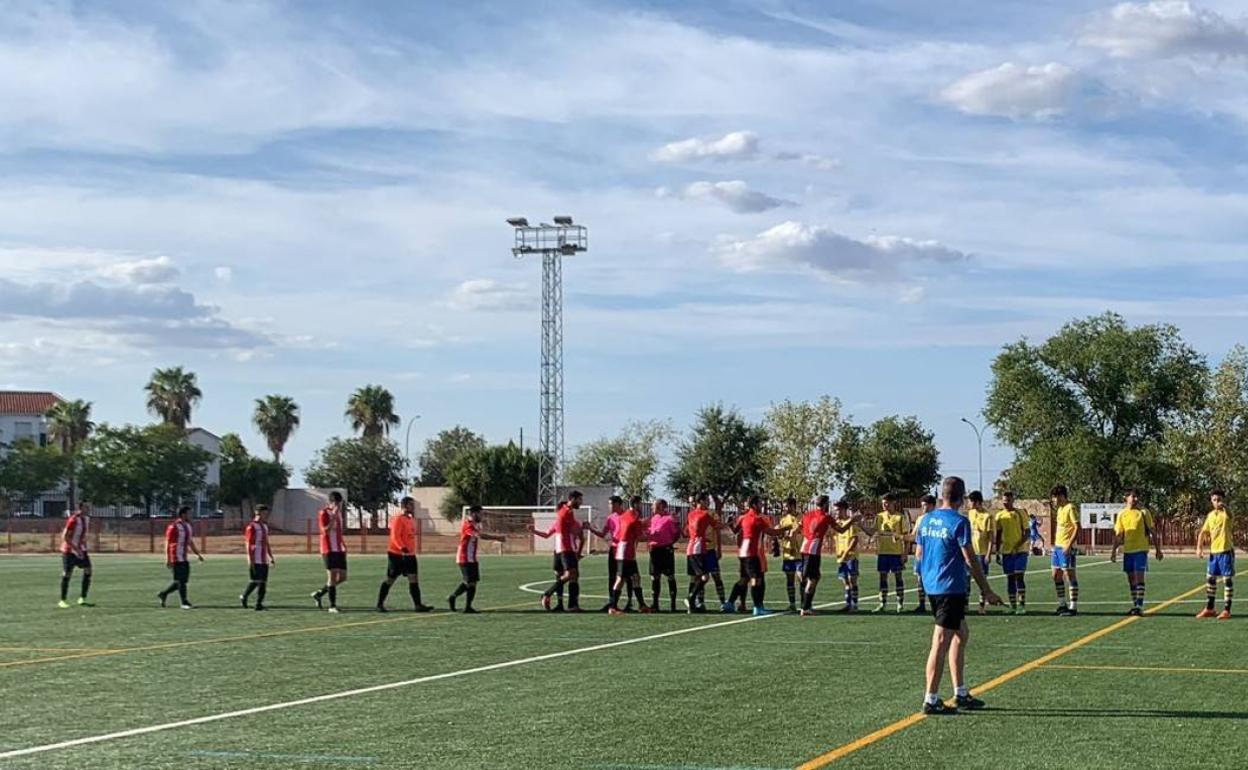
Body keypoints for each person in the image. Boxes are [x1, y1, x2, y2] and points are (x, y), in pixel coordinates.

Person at [916, 476, 1002, 715]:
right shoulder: (959, 522)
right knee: (941, 641)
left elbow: (919, 553)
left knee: (960, 634)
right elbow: (970, 558)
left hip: (932, 585)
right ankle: (931, 698)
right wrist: (986, 589)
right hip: (949, 587)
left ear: (942, 495)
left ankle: (960, 692)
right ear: (962, 498)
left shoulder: (926, 520)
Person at [731, 495, 789, 616]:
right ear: (754, 505)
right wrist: (787, 528)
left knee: (744, 579)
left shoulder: (743, 517)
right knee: (757, 579)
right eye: (760, 503)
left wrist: (730, 523)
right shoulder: (759, 518)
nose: (762, 505)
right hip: (755, 551)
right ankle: (757, 607)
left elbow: (735, 531)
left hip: (743, 551)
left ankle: (730, 603)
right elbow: (772, 532)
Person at [797, 495, 854, 616]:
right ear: (825, 504)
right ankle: (805, 607)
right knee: (812, 579)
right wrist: (853, 520)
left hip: (804, 547)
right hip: (813, 550)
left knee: (812, 577)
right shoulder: (826, 517)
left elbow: (800, 526)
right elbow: (842, 530)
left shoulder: (807, 514)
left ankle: (805, 605)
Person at [1110, 488, 1163, 616]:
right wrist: (1113, 551)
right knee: (1131, 579)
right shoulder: (1122, 514)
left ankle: (1139, 605)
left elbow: (1152, 532)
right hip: (1128, 551)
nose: (1135, 499)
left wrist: (1157, 549)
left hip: (1141, 550)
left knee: (1139, 577)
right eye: (1133, 496)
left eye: (1136, 496)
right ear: (1126, 498)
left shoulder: (1144, 512)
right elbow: (1119, 534)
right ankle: (1135, 604)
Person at [530, 491, 586, 612]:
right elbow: (577, 531)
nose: (581, 503)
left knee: (562, 575)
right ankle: (549, 594)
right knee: (571, 575)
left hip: (558, 550)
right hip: (567, 549)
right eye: (580, 500)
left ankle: (561, 604)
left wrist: (533, 531)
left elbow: (546, 534)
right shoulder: (567, 512)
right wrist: (584, 526)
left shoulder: (561, 516)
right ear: (573, 499)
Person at [377, 497, 433, 613]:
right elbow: (395, 536)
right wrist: (402, 547)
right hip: (397, 554)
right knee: (390, 579)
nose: (413, 507)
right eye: (411, 505)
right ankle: (379, 604)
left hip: (410, 555)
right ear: (405, 506)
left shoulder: (410, 519)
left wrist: (410, 551)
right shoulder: (398, 518)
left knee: (413, 579)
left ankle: (418, 605)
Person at [449, 505, 506, 613]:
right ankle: (458, 600)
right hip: (464, 557)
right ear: (474, 514)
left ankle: (462, 603)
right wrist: (498, 538)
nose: (482, 516)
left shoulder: (475, 525)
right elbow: (480, 536)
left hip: (472, 558)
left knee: (472, 582)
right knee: (469, 582)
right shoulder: (468, 525)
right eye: (481, 513)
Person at [1196, 489, 1236, 620]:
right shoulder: (1211, 515)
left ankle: (1226, 610)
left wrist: (1224, 506)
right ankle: (1210, 608)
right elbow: (1203, 532)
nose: (1217, 502)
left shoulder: (1226, 514)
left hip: (1226, 551)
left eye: (1219, 499)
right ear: (1211, 501)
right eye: (1214, 499)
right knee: (1210, 579)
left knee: (1227, 580)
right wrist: (1199, 548)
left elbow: (1230, 513)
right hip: (1214, 553)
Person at [607, 501, 652, 615]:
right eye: (640, 504)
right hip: (626, 552)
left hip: (626, 551)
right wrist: (648, 530)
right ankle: (612, 607)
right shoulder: (633, 518)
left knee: (636, 577)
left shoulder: (624, 516)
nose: (641, 506)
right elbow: (640, 535)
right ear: (636, 505)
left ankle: (641, 605)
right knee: (620, 579)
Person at [872, 493, 910, 613]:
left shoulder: (900, 517)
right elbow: (872, 531)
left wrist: (905, 553)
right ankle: (882, 604)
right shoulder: (879, 517)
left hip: (896, 553)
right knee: (882, 578)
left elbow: (906, 537)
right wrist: (859, 524)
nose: (885, 505)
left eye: (887, 503)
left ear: (894, 503)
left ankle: (900, 604)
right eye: (883, 503)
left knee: (898, 577)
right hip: (882, 552)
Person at [158, 506, 203, 609]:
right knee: (180, 581)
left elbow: (190, 542)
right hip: (175, 557)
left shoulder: (187, 526)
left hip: (184, 557)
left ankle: (163, 594)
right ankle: (184, 602)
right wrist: (168, 559)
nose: (191, 515)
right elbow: (168, 543)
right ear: (183, 514)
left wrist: (197, 554)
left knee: (181, 581)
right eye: (189, 513)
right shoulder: (173, 526)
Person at [994, 491, 1031, 615]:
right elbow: (998, 534)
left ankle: (1022, 606)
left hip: (1020, 551)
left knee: (1019, 577)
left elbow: (1027, 533)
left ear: (1012, 500)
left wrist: (1018, 545)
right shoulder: (999, 516)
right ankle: (1013, 606)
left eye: (1008, 500)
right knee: (1010, 578)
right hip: (1007, 552)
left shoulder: (1020, 513)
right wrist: (997, 551)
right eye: (1004, 501)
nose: (1005, 503)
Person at [590, 497, 628, 612]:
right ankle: (612, 603)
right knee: (612, 577)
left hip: (625, 549)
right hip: (614, 549)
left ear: (618, 504)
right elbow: (602, 534)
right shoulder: (610, 518)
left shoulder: (627, 516)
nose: (609, 507)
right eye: (609, 504)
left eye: (611, 504)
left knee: (627, 576)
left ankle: (630, 601)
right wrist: (591, 529)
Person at [312, 491, 348, 613]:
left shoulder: (339, 515)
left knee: (343, 577)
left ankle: (319, 593)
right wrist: (333, 516)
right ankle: (332, 606)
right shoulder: (324, 513)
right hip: (328, 549)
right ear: (330, 502)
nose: (338, 506)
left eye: (340, 504)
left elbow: (339, 532)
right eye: (336, 503)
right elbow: (325, 531)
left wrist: (344, 545)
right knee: (332, 577)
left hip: (339, 549)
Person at [1050, 485, 1081, 616]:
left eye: (1054, 497)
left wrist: (1069, 545)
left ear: (1061, 496)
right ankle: (1062, 604)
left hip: (1066, 547)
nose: (1053, 500)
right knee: (1056, 575)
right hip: (1057, 547)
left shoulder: (1070, 508)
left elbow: (1077, 527)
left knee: (1069, 575)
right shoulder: (1060, 510)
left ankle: (1073, 607)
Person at [647, 498, 680, 612]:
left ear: (660, 506)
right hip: (654, 550)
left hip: (665, 550)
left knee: (670, 576)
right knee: (654, 576)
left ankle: (673, 604)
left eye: (653, 505)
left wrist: (669, 542)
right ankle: (655, 604)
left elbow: (676, 534)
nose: (652, 507)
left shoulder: (670, 519)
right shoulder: (653, 518)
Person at [58, 502, 93, 609]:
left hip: (80, 549)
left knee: (88, 570)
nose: (88, 509)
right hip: (69, 550)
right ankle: (62, 600)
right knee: (67, 573)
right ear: (80, 508)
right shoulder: (73, 520)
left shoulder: (86, 519)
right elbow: (65, 537)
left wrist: (83, 547)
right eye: (86, 507)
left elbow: (82, 535)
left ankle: (82, 598)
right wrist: (76, 549)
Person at [240, 505, 275, 611]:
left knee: (263, 582)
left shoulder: (265, 526)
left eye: (266, 513)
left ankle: (259, 604)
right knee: (255, 581)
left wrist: (270, 556)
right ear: (257, 513)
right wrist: (250, 559)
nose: (266, 515)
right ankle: (244, 596)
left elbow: (266, 543)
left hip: (263, 559)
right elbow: (248, 543)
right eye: (264, 513)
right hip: (255, 558)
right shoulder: (252, 527)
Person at [967, 491, 995, 615]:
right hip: (971, 552)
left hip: (982, 553)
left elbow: (990, 537)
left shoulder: (988, 516)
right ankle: (965, 605)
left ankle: (982, 606)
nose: (969, 503)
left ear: (977, 502)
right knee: (966, 579)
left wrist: (989, 554)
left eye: (971, 501)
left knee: (982, 579)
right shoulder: (970, 513)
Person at [909, 494, 938, 613]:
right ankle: (921, 605)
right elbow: (913, 535)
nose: (923, 508)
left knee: (933, 580)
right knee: (920, 580)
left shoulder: (938, 519)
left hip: (933, 555)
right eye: (922, 506)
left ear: (932, 505)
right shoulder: (920, 519)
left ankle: (935, 605)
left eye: (925, 505)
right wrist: (901, 537)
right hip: (920, 555)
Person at [684, 496, 712, 613]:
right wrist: (730, 523)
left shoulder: (690, 514)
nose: (709, 503)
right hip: (698, 549)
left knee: (695, 577)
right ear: (701, 501)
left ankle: (693, 605)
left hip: (690, 548)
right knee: (705, 577)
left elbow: (686, 531)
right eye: (707, 501)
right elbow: (717, 525)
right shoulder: (706, 514)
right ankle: (691, 598)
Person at [833, 499, 862, 612]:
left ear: (844, 510)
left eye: (838, 510)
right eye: (835, 511)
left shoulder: (851, 523)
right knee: (845, 580)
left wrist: (846, 553)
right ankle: (848, 603)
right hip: (840, 557)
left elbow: (854, 540)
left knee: (852, 580)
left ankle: (855, 604)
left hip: (851, 556)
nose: (836, 513)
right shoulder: (837, 524)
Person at [777, 496, 804, 611]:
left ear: (792, 506)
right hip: (787, 554)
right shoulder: (784, 519)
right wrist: (779, 535)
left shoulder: (801, 517)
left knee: (801, 578)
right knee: (790, 579)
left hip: (799, 553)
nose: (784, 508)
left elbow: (797, 531)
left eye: (786, 506)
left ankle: (804, 603)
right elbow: (780, 534)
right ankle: (792, 603)